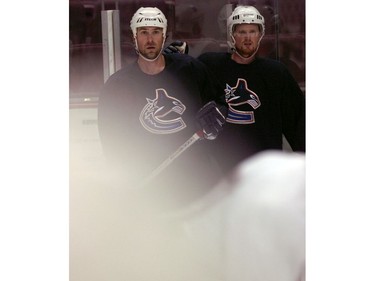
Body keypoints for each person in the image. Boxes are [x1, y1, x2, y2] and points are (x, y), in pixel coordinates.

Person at [97, 7, 227, 207]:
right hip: (149, 191)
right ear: (134, 37)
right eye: (144, 32)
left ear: (164, 35)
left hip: (193, 184)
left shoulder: (190, 70)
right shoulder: (118, 86)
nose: (150, 39)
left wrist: (215, 120)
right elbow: (112, 141)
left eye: (156, 32)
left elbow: (219, 103)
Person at [165, 5, 305, 175]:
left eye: (253, 31)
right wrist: (172, 62)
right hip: (218, 173)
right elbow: (181, 92)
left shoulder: (276, 73)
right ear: (232, 34)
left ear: (260, 34)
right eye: (242, 32)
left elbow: (299, 125)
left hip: (263, 173)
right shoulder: (210, 65)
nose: (247, 38)